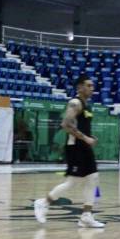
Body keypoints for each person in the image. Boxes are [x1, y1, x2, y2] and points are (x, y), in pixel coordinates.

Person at [34, 75, 105, 228]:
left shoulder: (87, 105)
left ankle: (86, 216)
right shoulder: (75, 103)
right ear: (79, 87)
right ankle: (44, 202)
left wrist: (89, 137)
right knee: (73, 182)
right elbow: (65, 124)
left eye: (92, 85)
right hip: (75, 147)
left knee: (93, 179)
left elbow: (80, 126)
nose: (92, 88)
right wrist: (85, 138)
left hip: (84, 147)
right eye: (88, 85)